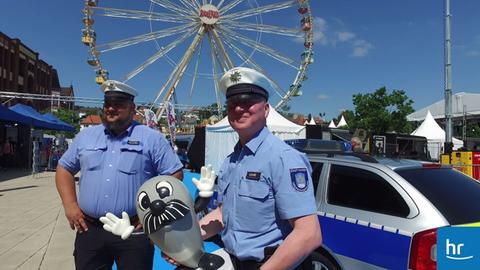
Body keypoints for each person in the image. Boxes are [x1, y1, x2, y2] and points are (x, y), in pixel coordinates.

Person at [168, 67, 322, 270]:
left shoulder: (283, 158)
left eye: (247, 102)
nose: (239, 109)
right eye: (232, 104)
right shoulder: (232, 160)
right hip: (234, 260)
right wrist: (184, 241)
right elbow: (223, 213)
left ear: (266, 109)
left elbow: (308, 234)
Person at [55, 79, 184, 270]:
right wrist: (70, 204)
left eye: (118, 104)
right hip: (89, 229)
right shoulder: (86, 136)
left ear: (133, 108)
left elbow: (174, 174)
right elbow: (64, 168)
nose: (111, 109)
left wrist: (150, 215)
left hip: (133, 230)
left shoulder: (151, 138)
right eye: (107, 104)